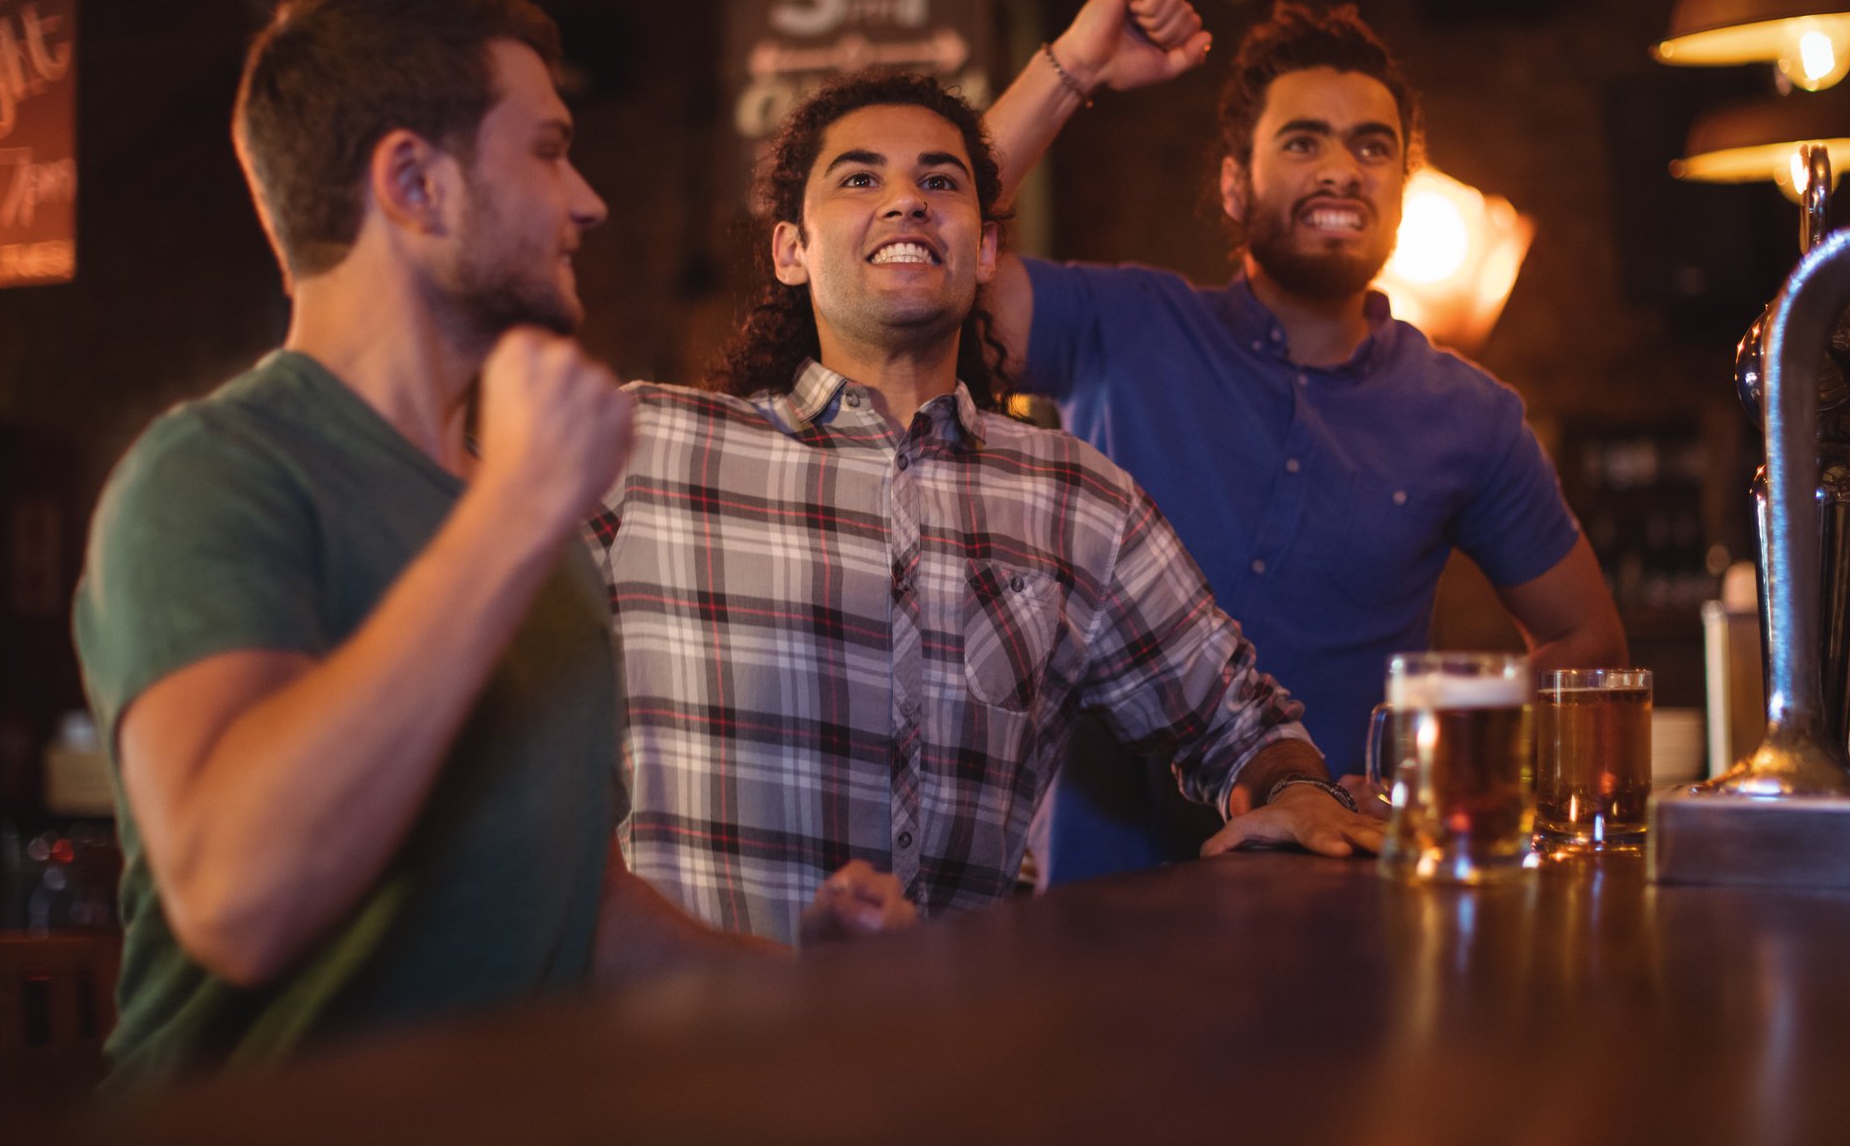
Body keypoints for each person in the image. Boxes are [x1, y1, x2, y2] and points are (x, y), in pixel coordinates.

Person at [72, 0, 905, 1084]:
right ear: (416, 183)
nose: (590, 200)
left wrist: (800, 980)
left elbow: (580, 912)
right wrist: (513, 515)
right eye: (549, 149)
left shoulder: (521, 515)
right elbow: (237, 897)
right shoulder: (217, 472)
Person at [593, 70, 1383, 946]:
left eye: (940, 182)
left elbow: (1241, 723)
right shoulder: (644, 446)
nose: (905, 202)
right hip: (689, 1052)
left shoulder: (1080, 499)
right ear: (790, 251)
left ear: (985, 251)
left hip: (961, 1044)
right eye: (859, 178)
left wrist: (1298, 793)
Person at [979, 0, 1629, 881]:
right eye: (1302, 142)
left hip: (1340, 896)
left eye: (1372, 147)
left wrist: (1425, 756)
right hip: (1097, 894)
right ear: (1234, 185)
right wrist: (1075, 65)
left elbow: (1586, 649)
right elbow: (942, 240)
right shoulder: (1122, 326)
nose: (1338, 169)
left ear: (1402, 189)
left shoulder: (1469, 413)